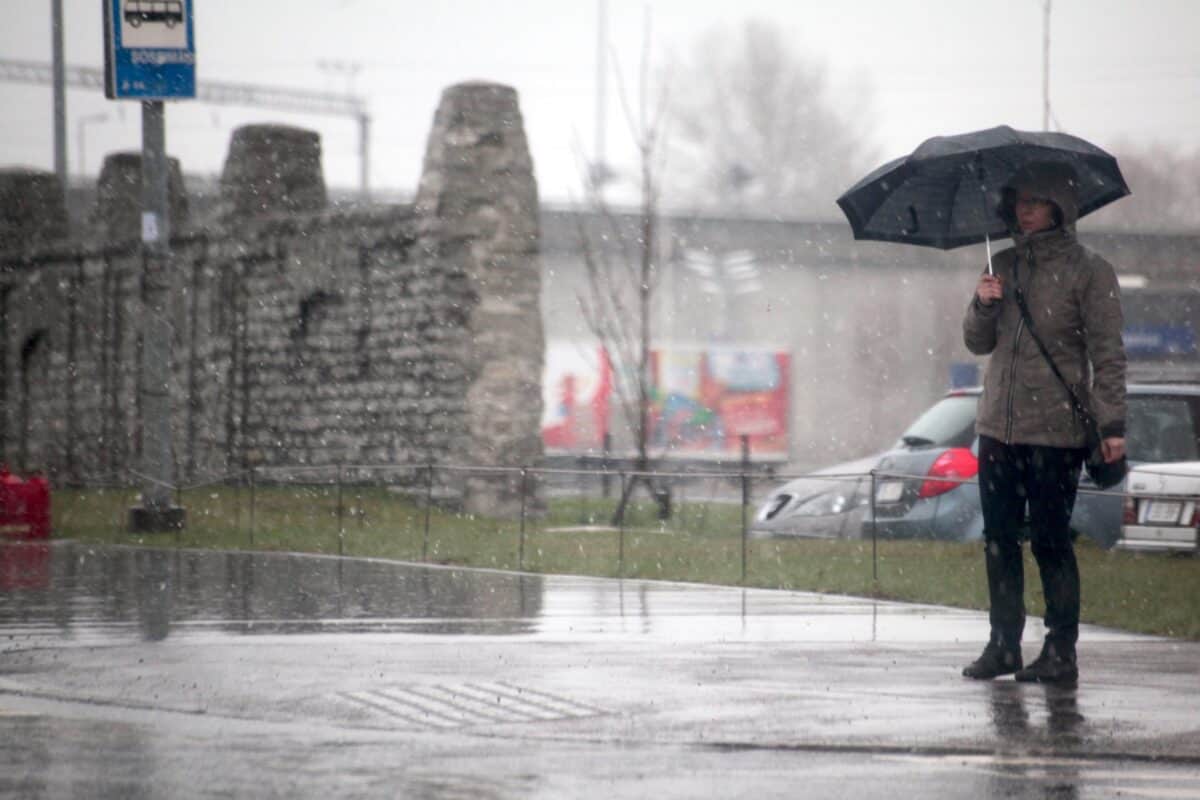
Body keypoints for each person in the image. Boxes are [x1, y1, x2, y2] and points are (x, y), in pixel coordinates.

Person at [961, 160, 1127, 684]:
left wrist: (1112, 424)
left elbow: (1109, 354)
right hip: (997, 430)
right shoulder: (1003, 266)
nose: (1023, 211)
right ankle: (1003, 645)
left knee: (1051, 541)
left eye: (1034, 202)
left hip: (1056, 433)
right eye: (1018, 202)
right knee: (998, 540)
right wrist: (982, 303)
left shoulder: (1089, 271)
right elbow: (977, 343)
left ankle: (1060, 650)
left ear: (1060, 206)